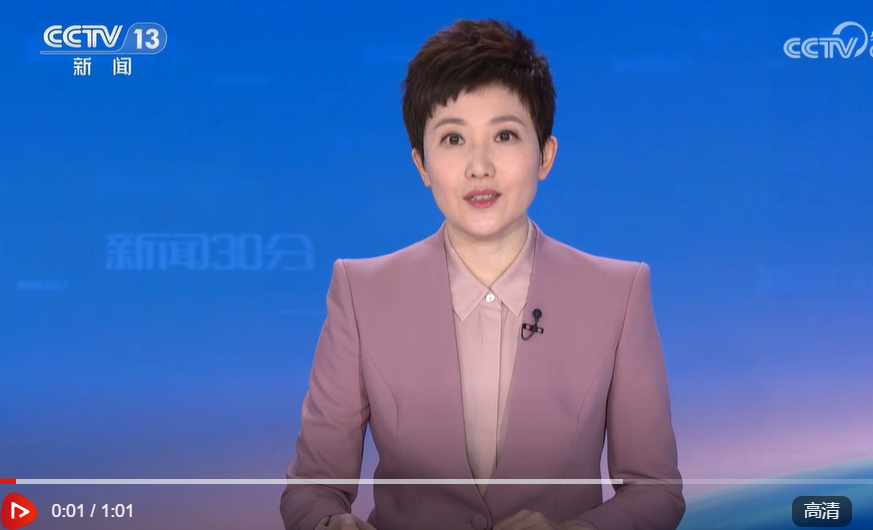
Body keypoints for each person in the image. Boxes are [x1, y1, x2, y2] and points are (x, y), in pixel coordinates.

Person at [280, 19, 685, 530]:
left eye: (505, 135)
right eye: (453, 138)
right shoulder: (361, 293)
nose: (479, 166)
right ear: (421, 165)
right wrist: (329, 523)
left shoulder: (618, 294)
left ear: (546, 156)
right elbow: (313, 489)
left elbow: (655, 490)